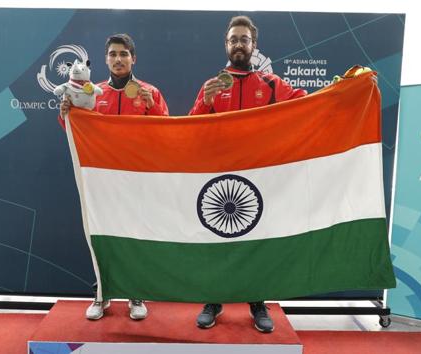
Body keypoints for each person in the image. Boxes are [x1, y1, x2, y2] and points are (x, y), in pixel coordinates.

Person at [188, 16, 307, 333]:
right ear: (226, 45)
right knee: (217, 239)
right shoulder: (210, 86)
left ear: (254, 45)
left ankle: (257, 302)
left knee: (256, 241)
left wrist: (346, 89)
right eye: (233, 39)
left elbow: (308, 106)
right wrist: (206, 102)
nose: (238, 44)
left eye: (244, 39)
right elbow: (190, 131)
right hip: (219, 178)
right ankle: (213, 300)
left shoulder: (271, 85)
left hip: (259, 178)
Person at [59, 33, 169, 320]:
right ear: (106, 59)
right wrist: (66, 115)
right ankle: (102, 293)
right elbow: (77, 131)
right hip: (103, 179)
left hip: (137, 178)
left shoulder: (150, 92)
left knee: (135, 235)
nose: (118, 59)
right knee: (102, 236)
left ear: (133, 58)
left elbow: (167, 134)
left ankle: (136, 293)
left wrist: (153, 106)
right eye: (113, 54)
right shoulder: (91, 92)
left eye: (123, 54)